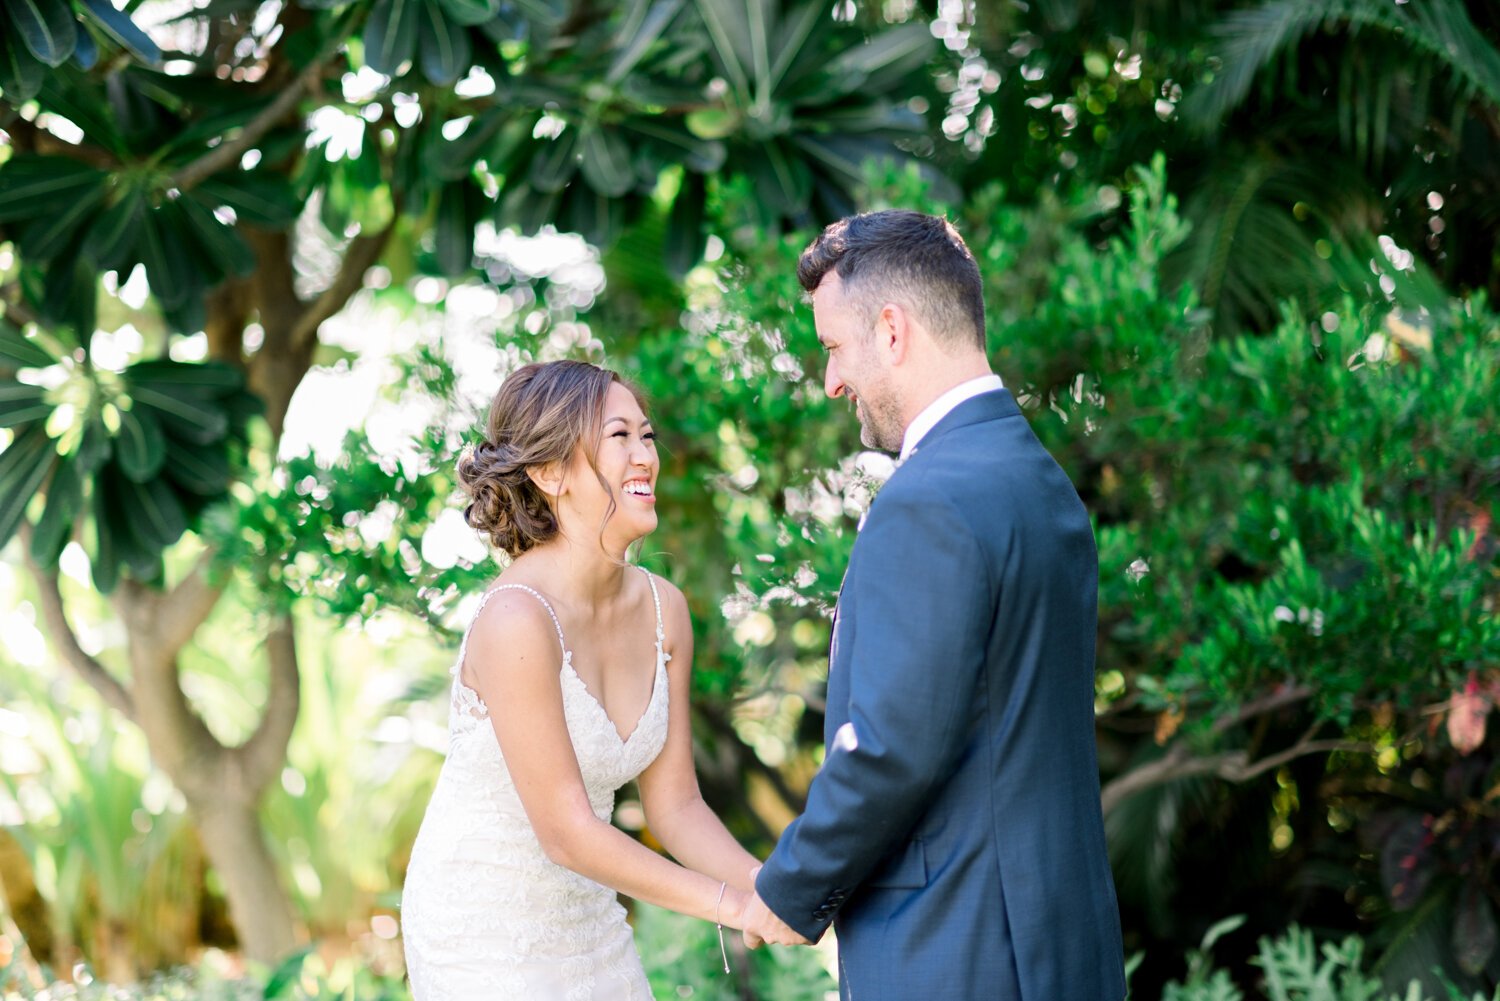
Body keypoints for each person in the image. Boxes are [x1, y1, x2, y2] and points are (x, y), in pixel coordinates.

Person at [740, 211, 1127, 1000]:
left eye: (834, 349)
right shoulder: (1042, 482)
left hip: (958, 949)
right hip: (1058, 939)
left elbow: (889, 747)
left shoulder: (929, 498)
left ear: (891, 330)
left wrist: (786, 890)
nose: (831, 381)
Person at [401, 360, 762, 1000]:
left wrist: (770, 891)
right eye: (618, 437)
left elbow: (675, 807)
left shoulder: (664, 610)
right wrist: (731, 908)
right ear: (550, 472)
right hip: (482, 930)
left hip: (587, 912)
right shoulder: (516, 619)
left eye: (646, 436)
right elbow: (566, 830)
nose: (644, 455)